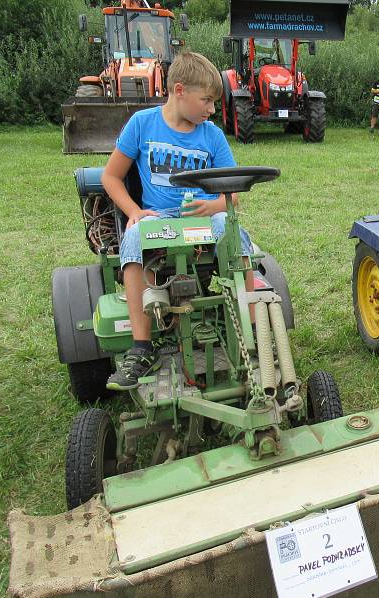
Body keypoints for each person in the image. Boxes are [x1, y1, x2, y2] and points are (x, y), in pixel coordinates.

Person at [101, 51, 253, 390]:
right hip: (162, 217)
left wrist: (214, 206)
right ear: (179, 90)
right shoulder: (143, 124)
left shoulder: (211, 135)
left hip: (202, 216)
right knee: (136, 237)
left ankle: (250, 326)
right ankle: (140, 348)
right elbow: (112, 178)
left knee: (233, 234)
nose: (212, 109)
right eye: (207, 100)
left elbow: (232, 194)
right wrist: (134, 212)